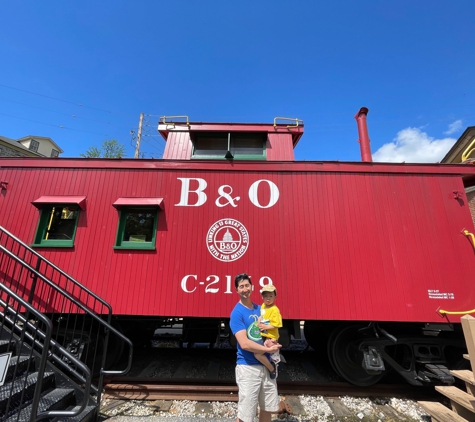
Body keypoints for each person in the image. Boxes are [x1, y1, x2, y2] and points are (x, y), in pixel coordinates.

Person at [230, 273, 282, 422]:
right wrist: (267, 350)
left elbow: (267, 332)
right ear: (237, 290)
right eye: (241, 287)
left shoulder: (261, 309)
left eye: (247, 285)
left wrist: (271, 342)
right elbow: (245, 344)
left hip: (266, 367)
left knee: (266, 410)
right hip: (248, 368)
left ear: (252, 287)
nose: (245, 289)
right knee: (246, 415)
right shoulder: (237, 313)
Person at [255, 284, 282, 378]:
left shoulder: (274, 309)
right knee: (261, 353)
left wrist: (265, 327)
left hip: (271, 336)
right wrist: (259, 320)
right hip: (264, 334)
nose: (268, 298)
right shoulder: (263, 306)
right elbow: (262, 316)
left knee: (258, 354)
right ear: (262, 297)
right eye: (265, 296)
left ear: (275, 297)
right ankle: (272, 360)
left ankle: (272, 368)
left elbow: (277, 324)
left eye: (271, 296)